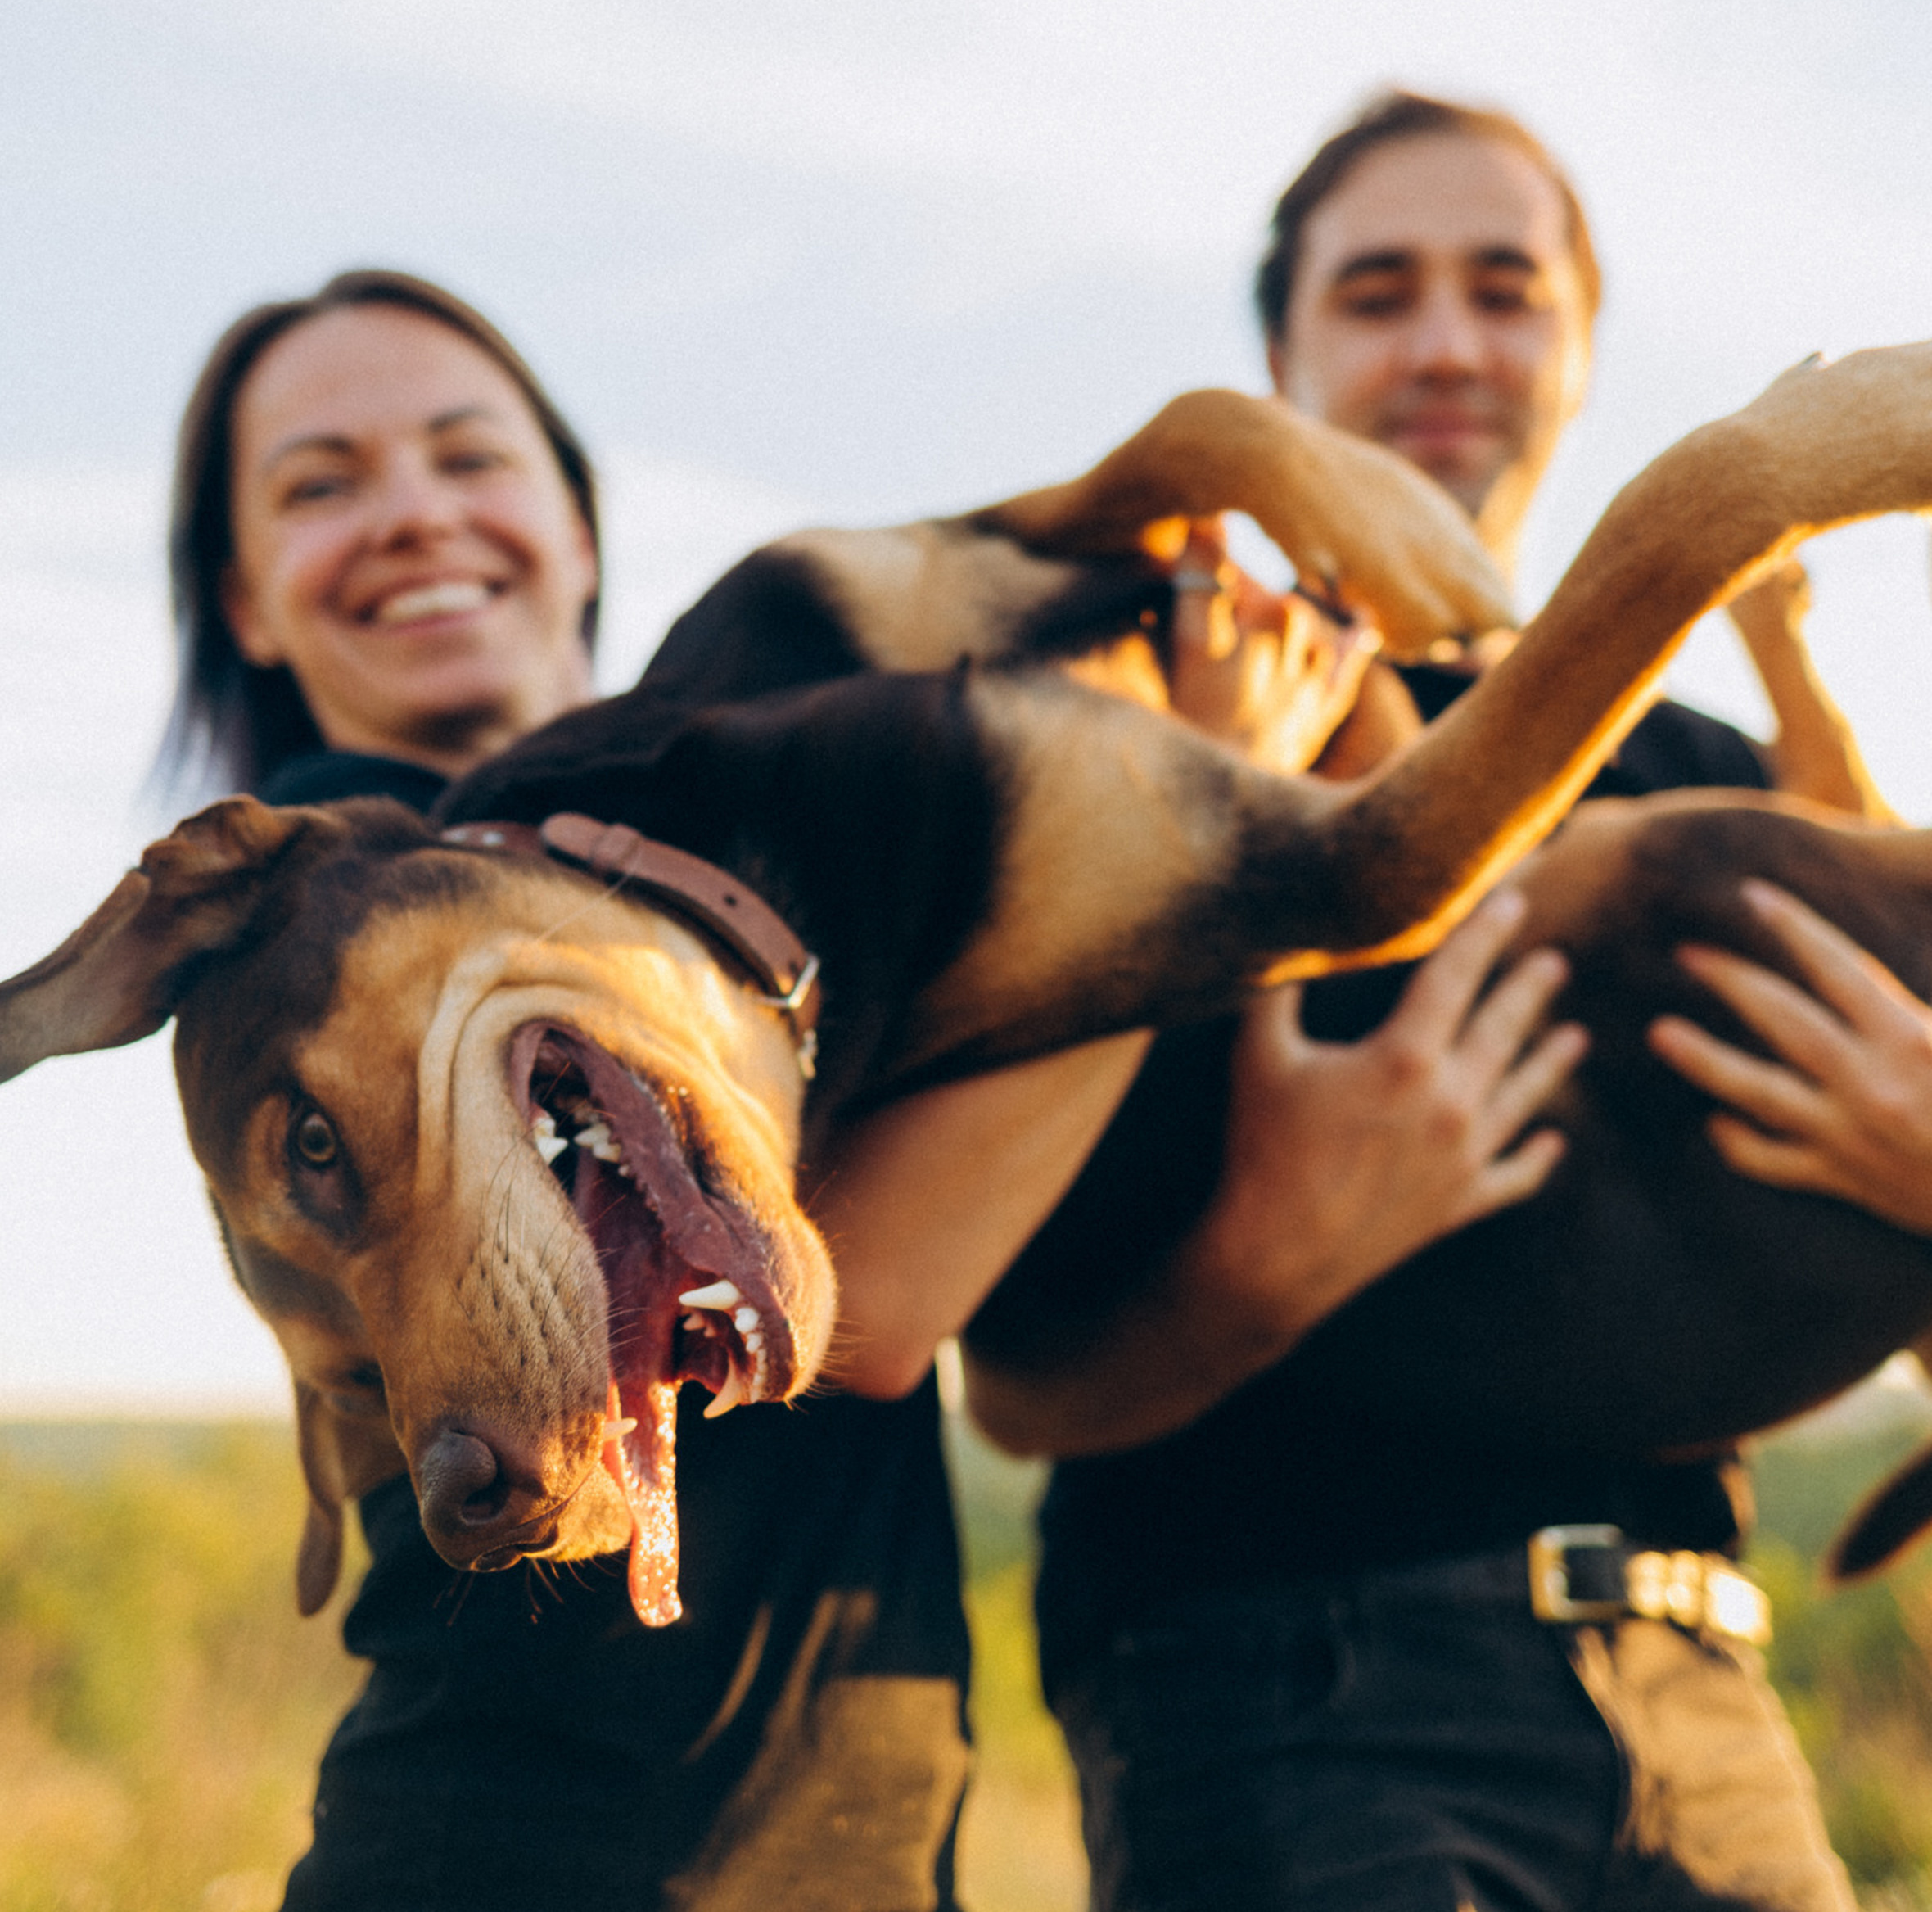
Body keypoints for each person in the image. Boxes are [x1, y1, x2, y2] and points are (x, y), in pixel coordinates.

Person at [963, 93, 1932, 1911]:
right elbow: (1009, 1392)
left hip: (1707, 1712)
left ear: (1573, 350)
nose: (1443, 342)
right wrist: (1265, 1254)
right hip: (1273, 1700)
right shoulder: (1144, 731)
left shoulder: (1702, 769)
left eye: (1503, 289)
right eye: (1378, 289)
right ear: (1282, 355)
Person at [159, 267, 1372, 1909]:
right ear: (245, 599)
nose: (413, 516)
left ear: (576, 531)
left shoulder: (697, 872)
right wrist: (1181, 832)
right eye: (322, 483)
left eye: (468, 457)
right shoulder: (313, 955)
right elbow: (867, 1305)